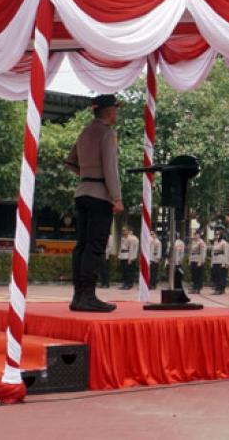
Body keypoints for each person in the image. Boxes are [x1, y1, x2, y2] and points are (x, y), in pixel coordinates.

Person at [64, 94, 125, 312]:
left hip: (82, 192)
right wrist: (116, 197)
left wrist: (87, 174)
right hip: (100, 195)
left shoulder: (85, 132)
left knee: (81, 245)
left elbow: (70, 161)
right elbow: (110, 168)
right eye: (116, 110)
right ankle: (88, 296)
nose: (117, 113)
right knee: (95, 246)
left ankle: (78, 295)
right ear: (109, 112)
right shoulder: (107, 133)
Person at [118, 226, 139, 290]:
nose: (123, 231)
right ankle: (124, 283)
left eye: (125, 230)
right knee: (124, 271)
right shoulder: (123, 238)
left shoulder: (132, 238)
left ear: (128, 231)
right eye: (123, 230)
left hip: (129, 256)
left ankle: (129, 284)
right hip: (123, 256)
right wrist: (119, 255)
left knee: (129, 272)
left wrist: (130, 258)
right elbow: (121, 247)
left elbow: (132, 249)